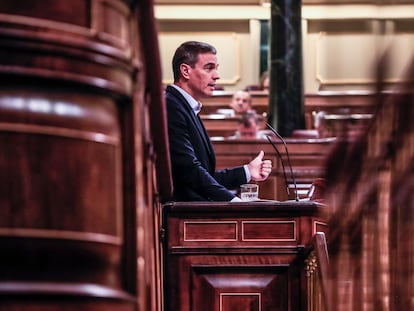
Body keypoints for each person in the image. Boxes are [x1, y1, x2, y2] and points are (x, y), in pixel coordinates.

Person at [165, 41, 272, 202]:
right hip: (186, 218)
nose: (216, 75)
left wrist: (247, 171)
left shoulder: (185, 107)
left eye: (216, 68)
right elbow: (189, 170)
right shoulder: (171, 105)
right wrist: (233, 202)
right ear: (185, 71)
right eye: (209, 68)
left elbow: (204, 176)